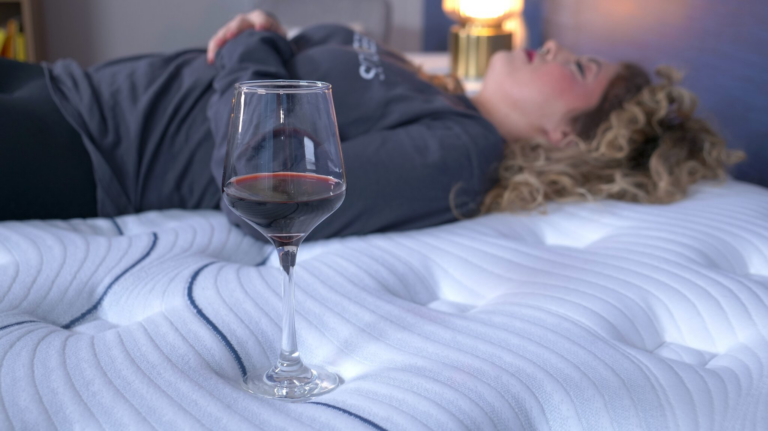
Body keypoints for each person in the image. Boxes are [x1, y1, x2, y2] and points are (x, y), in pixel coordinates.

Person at [0, 10, 743, 240]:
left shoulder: (460, 152)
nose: (551, 44)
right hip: (68, 86)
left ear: (566, 136)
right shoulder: (431, 88)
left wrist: (259, 43)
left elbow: (268, 187)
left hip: (87, 148)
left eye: (577, 67)